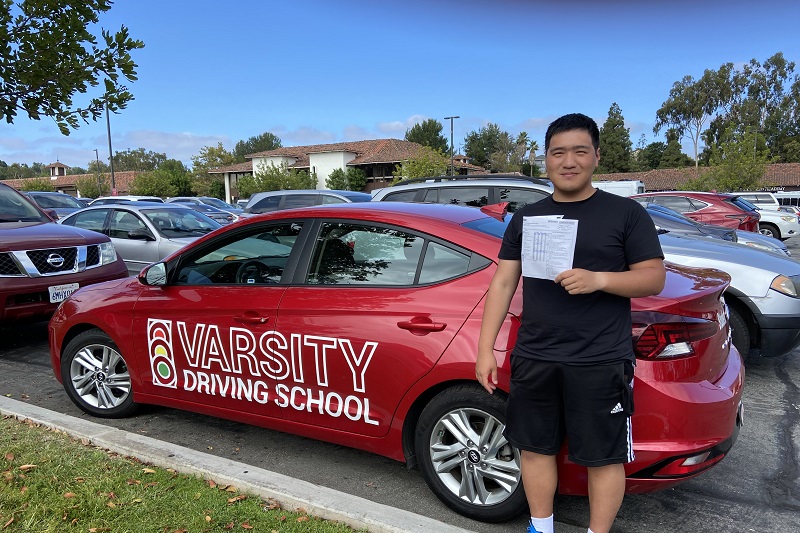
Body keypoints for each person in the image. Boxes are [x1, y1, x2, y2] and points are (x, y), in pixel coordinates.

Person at [475, 113, 666, 533]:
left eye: (580, 151)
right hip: (535, 355)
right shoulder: (528, 218)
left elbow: (654, 276)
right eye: (558, 152)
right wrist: (484, 349)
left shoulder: (625, 215)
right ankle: (541, 527)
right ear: (545, 160)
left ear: (596, 157)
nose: (568, 161)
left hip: (600, 359)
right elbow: (504, 281)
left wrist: (599, 279)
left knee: (603, 456)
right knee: (534, 448)